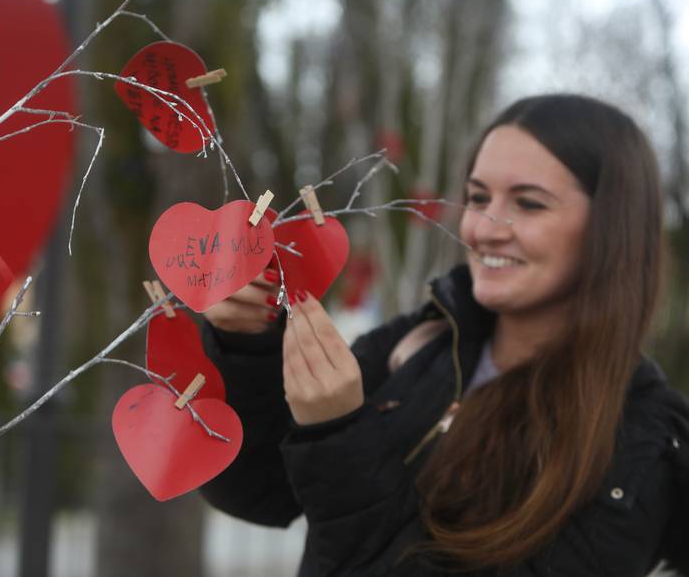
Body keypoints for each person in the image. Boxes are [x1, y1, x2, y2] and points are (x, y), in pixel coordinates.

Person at [200, 94, 689, 576]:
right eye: (478, 197)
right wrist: (247, 347)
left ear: (610, 228)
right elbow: (260, 493)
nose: (483, 227)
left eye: (529, 203)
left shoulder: (641, 443)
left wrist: (337, 435)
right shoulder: (424, 341)